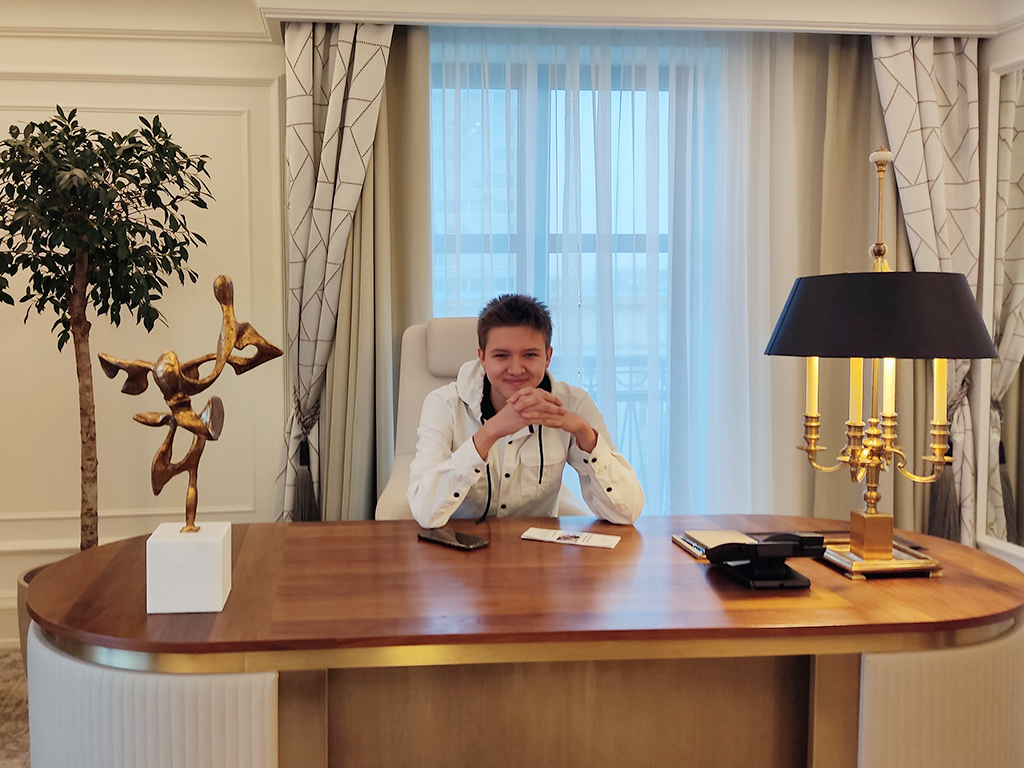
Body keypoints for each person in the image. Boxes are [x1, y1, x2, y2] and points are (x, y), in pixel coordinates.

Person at [408, 294, 644, 528]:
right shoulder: (444, 404)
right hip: (458, 544)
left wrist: (586, 434)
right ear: (482, 358)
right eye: (501, 356)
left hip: (538, 548)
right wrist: (489, 432)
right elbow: (425, 512)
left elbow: (626, 513)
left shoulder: (574, 404)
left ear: (547, 357)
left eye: (530, 355)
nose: (516, 369)